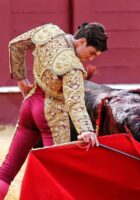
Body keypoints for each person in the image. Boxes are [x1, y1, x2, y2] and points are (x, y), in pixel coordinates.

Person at [0, 22, 108, 199]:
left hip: (30, 105)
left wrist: (21, 80)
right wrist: (86, 129)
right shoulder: (73, 67)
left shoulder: (49, 32)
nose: (91, 59)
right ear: (81, 41)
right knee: (56, 175)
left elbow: (16, 44)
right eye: (91, 53)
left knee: (7, 170)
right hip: (51, 117)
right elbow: (75, 102)